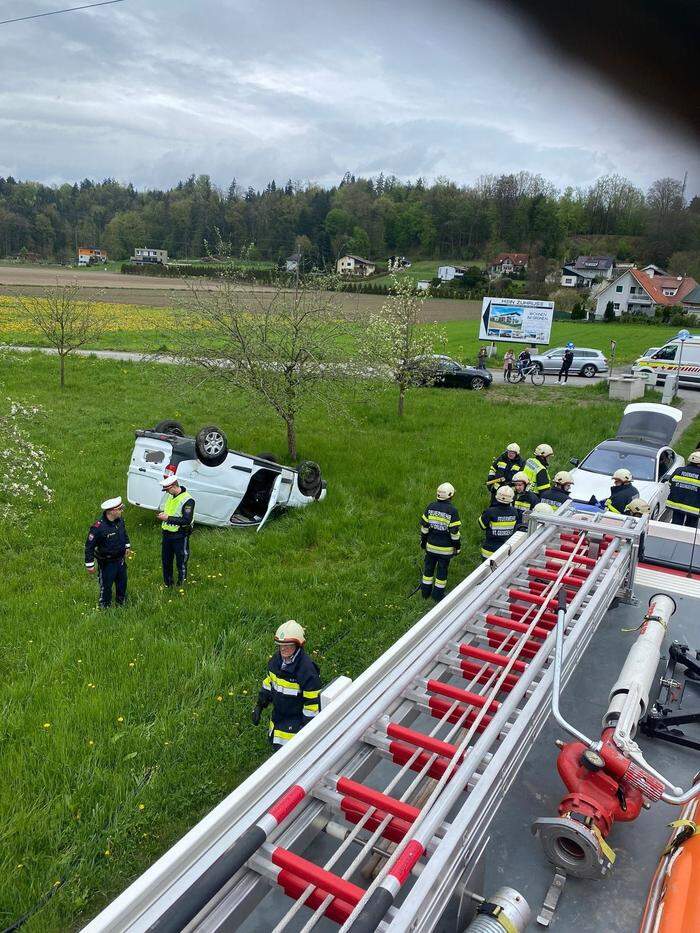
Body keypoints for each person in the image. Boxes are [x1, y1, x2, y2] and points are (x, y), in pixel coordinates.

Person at [252, 621, 321, 749]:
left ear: (298, 645)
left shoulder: (306, 670)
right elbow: (268, 685)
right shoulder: (275, 661)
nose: (283, 649)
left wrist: (307, 730)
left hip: (295, 725)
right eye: (280, 645)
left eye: (288, 646)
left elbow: (312, 704)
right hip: (278, 718)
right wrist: (259, 705)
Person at [84, 496, 132, 608]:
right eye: (120, 509)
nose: (122, 511)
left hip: (120, 560)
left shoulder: (120, 521)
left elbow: (124, 533)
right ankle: (104, 606)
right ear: (112, 511)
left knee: (122, 583)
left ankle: (121, 603)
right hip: (107, 563)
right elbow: (89, 547)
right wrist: (89, 564)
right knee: (106, 585)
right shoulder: (98, 528)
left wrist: (127, 546)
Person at [420, 482, 461, 601]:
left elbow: (424, 528)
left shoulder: (430, 507)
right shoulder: (452, 511)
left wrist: (423, 542)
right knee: (442, 572)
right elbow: (454, 533)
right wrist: (457, 547)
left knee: (428, 570)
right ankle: (437, 596)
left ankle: (425, 593)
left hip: (431, 547)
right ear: (451, 495)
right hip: (445, 550)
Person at [157, 474, 195, 587]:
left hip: (180, 535)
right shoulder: (170, 496)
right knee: (166, 561)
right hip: (167, 534)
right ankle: (168, 583)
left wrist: (167, 518)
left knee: (181, 561)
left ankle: (181, 584)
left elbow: (186, 520)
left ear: (174, 486)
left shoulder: (188, 500)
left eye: (167, 489)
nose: (166, 492)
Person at [478, 485, 518, 559]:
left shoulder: (490, 511)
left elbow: (482, 525)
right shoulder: (514, 511)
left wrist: (484, 513)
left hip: (489, 551)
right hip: (505, 551)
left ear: (497, 497)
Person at [666, 451, 700, 527]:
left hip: (677, 504)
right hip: (694, 508)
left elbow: (670, 483)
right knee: (690, 529)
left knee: (676, 525)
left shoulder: (679, 470)